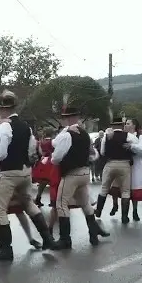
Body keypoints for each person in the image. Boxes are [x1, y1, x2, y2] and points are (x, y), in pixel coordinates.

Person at [0, 90, 58, 261]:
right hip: (25, 171)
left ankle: (6, 249)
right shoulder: (26, 126)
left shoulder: (4, 126)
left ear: (2, 109)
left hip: (9, 172)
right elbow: (33, 150)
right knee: (28, 203)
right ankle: (48, 239)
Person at [50, 106, 110, 247]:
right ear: (77, 117)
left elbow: (56, 156)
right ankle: (93, 232)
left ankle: (65, 239)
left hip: (72, 173)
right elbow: (93, 154)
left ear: (67, 118)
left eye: (64, 118)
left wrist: (54, 159)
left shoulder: (66, 135)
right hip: (84, 172)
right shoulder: (84, 133)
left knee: (61, 204)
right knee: (85, 204)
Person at [108, 119, 142, 222]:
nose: (125, 125)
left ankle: (134, 211)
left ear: (134, 125)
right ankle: (117, 207)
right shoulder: (122, 135)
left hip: (135, 165)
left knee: (134, 189)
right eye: (125, 124)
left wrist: (132, 146)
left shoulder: (139, 137)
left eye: (128, 123)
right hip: (123, 164)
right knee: (116, 187)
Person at [94, 121, 137, 223]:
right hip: (124, 164)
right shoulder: (129, 136)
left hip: (110, 163)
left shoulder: (106, 136)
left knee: (104, 188)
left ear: (112, 126)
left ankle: (99, 210)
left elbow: (102, 152)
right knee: (125, 191)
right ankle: (124, 217)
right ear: (122, 126)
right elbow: (136, 148)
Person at [32, 128, 54, 207]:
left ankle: (38, 198)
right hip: (51, 161)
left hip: (43, 161)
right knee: (53, 182)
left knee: (42, 183)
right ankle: (53, 200)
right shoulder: (52, 141)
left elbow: (41, 152)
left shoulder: (41, 142)